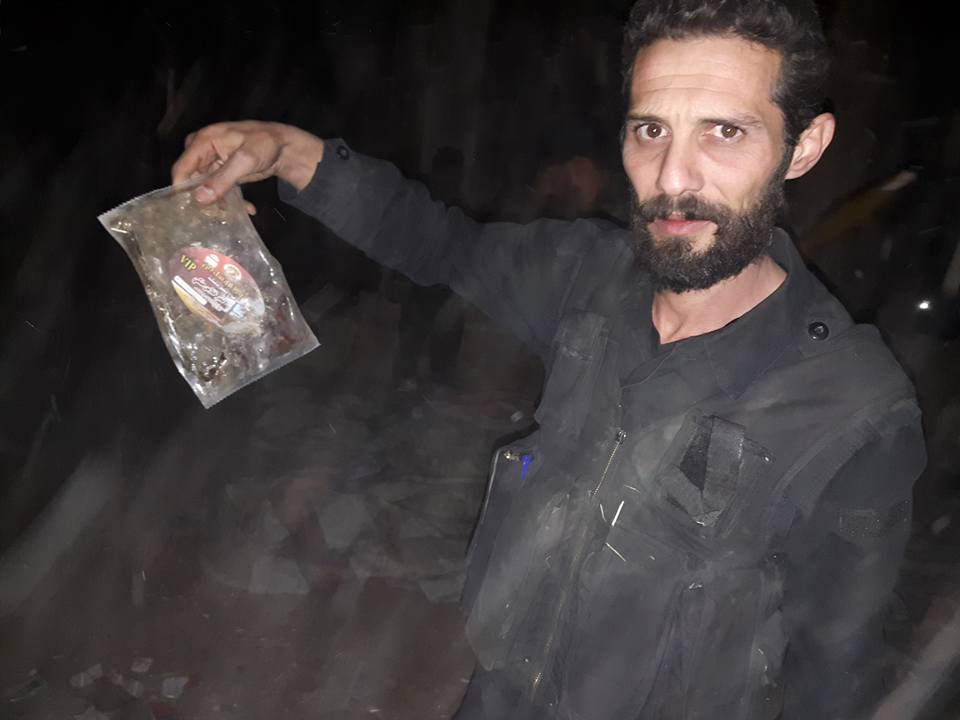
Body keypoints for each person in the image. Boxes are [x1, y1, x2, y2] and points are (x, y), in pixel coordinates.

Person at [172, 1, 926, 717]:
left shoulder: (852, 409)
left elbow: (834, 674)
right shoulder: (588, 277)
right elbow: (439, 242)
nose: (673, 177)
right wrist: (289, 151)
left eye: (724, 132)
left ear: (804, 147)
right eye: (651, 130)